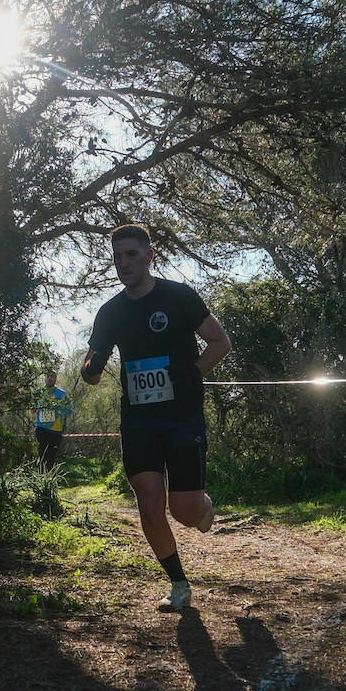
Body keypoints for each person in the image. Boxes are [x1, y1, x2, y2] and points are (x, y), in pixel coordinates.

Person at [81, 223, 231, 612]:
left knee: (185, 512)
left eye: (132, 254)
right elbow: (93, 371)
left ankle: (201, 505)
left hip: (182, 417)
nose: (124, 262)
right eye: (117, 256)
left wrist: (192, 372)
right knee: (149, 502)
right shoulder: (110, 312)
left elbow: (220, 342)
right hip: (139, 420)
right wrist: (90, 366)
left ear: (149, 255)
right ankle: (179, 584)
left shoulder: (179, 297)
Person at [33, 370, 72, 470]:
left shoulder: (62, 394)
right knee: (42, 452)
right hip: (41, 428)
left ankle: (49, 480)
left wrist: (57, 407)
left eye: (53, 376)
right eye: (48, 376)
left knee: (52, 455)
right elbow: (32, 409)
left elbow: (69, 412)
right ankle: (41, 478)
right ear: (44, 378)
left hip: (55, 429)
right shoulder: (38, 393)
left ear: (56, 379)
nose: (50, 378)